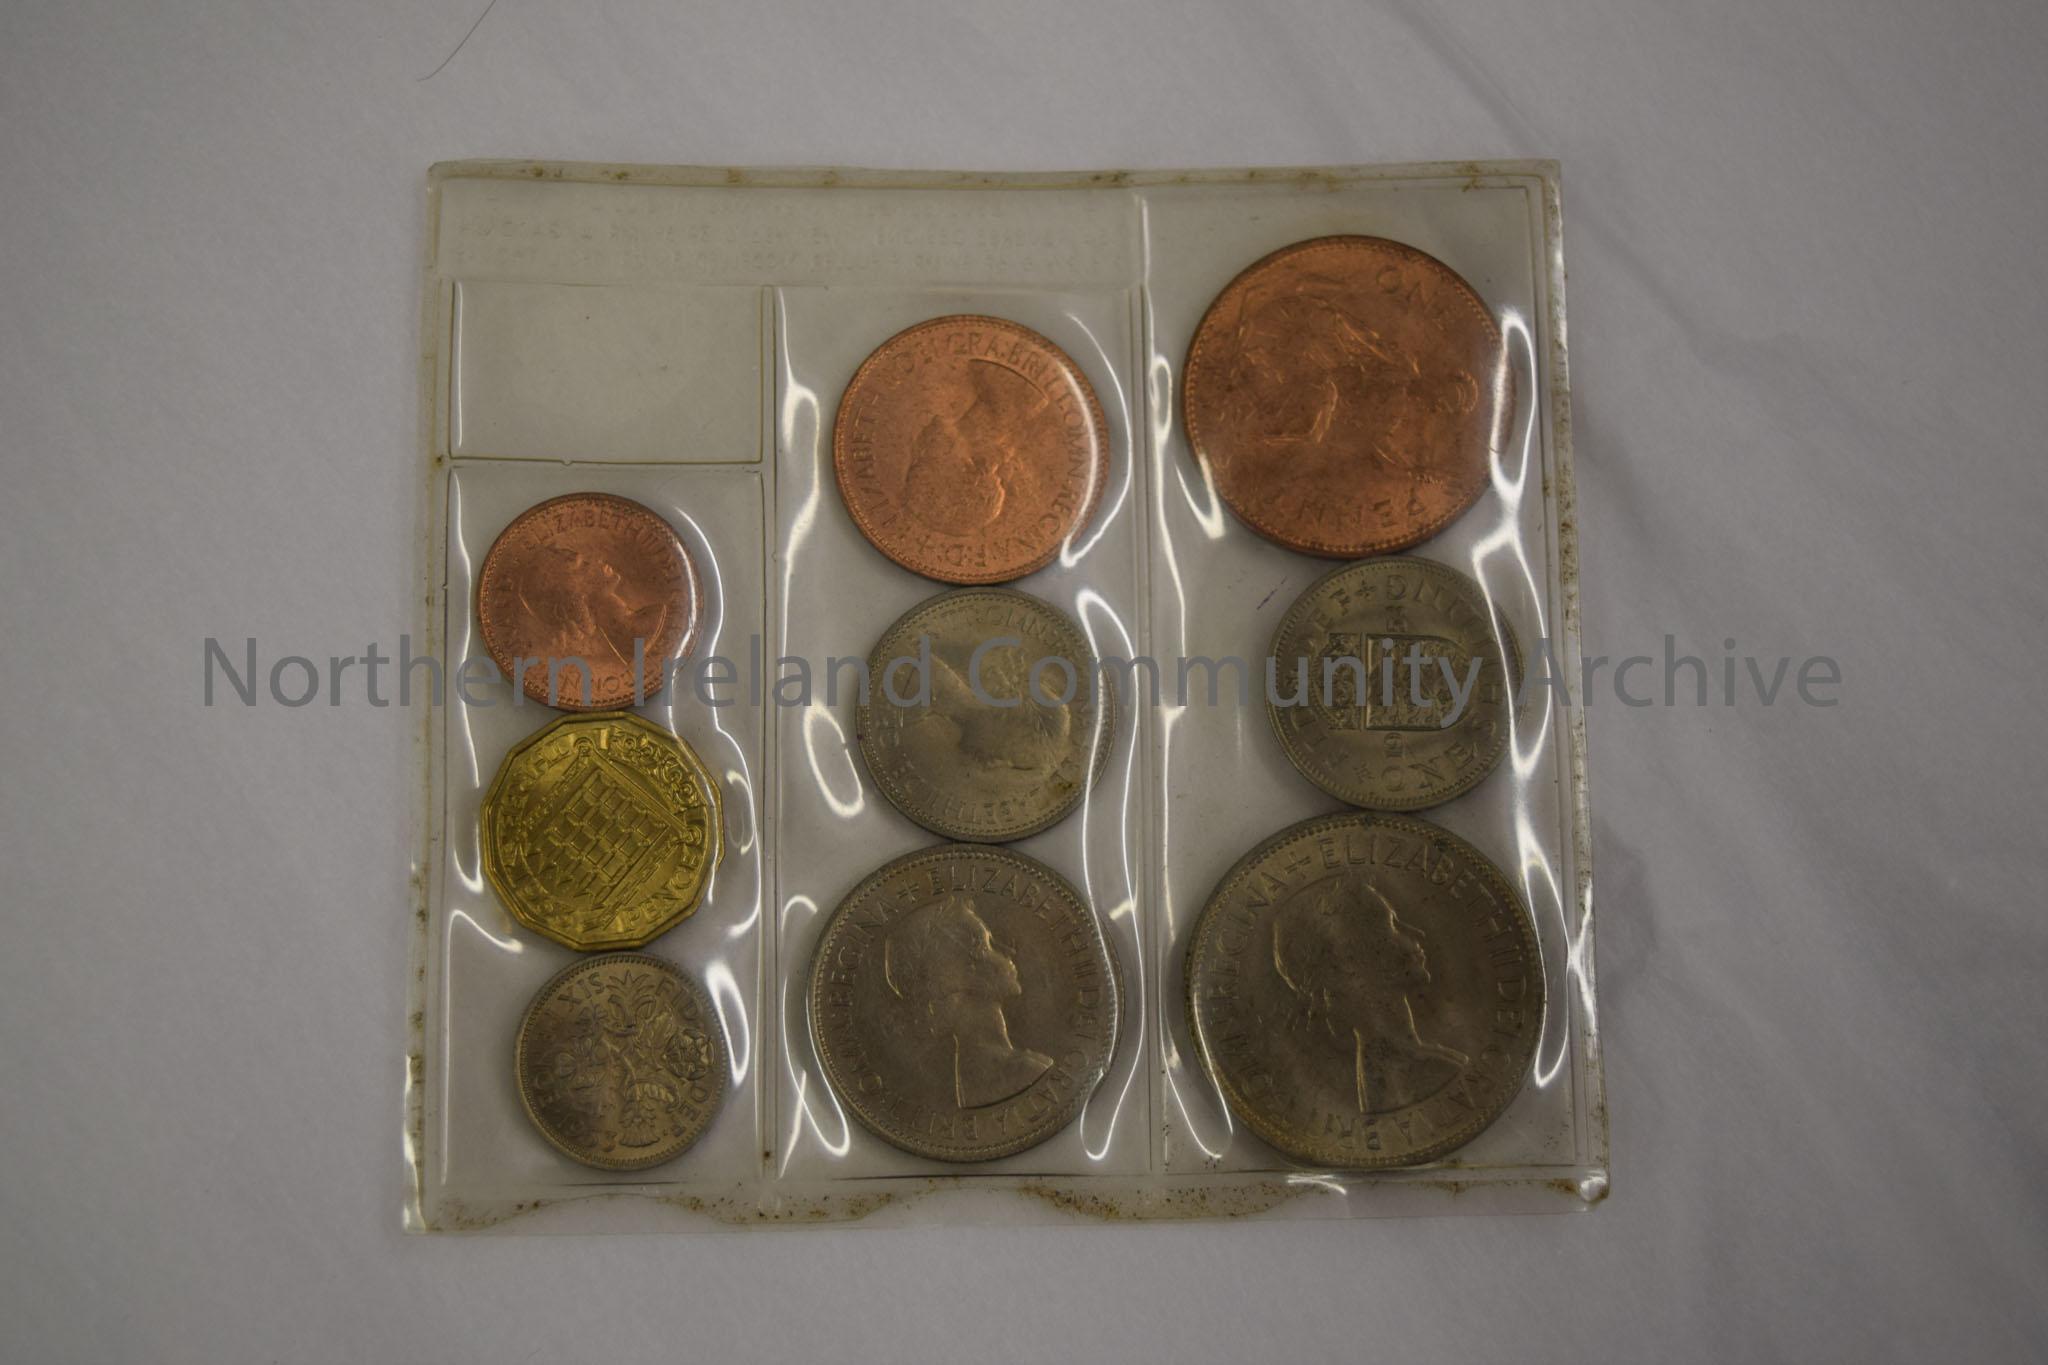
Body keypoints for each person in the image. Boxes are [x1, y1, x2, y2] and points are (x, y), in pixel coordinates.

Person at [1270, 873, 1468, 1112]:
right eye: (1392, 926)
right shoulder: (1426, 1073)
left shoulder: (1382, 1070)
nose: (1416, 934)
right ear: (1350, 960)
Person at [884, 893, 1053, 1109]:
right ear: (957, 974)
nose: (1009, 951)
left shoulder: (972, 1070)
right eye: (986, 946)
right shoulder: (1025, 1072)